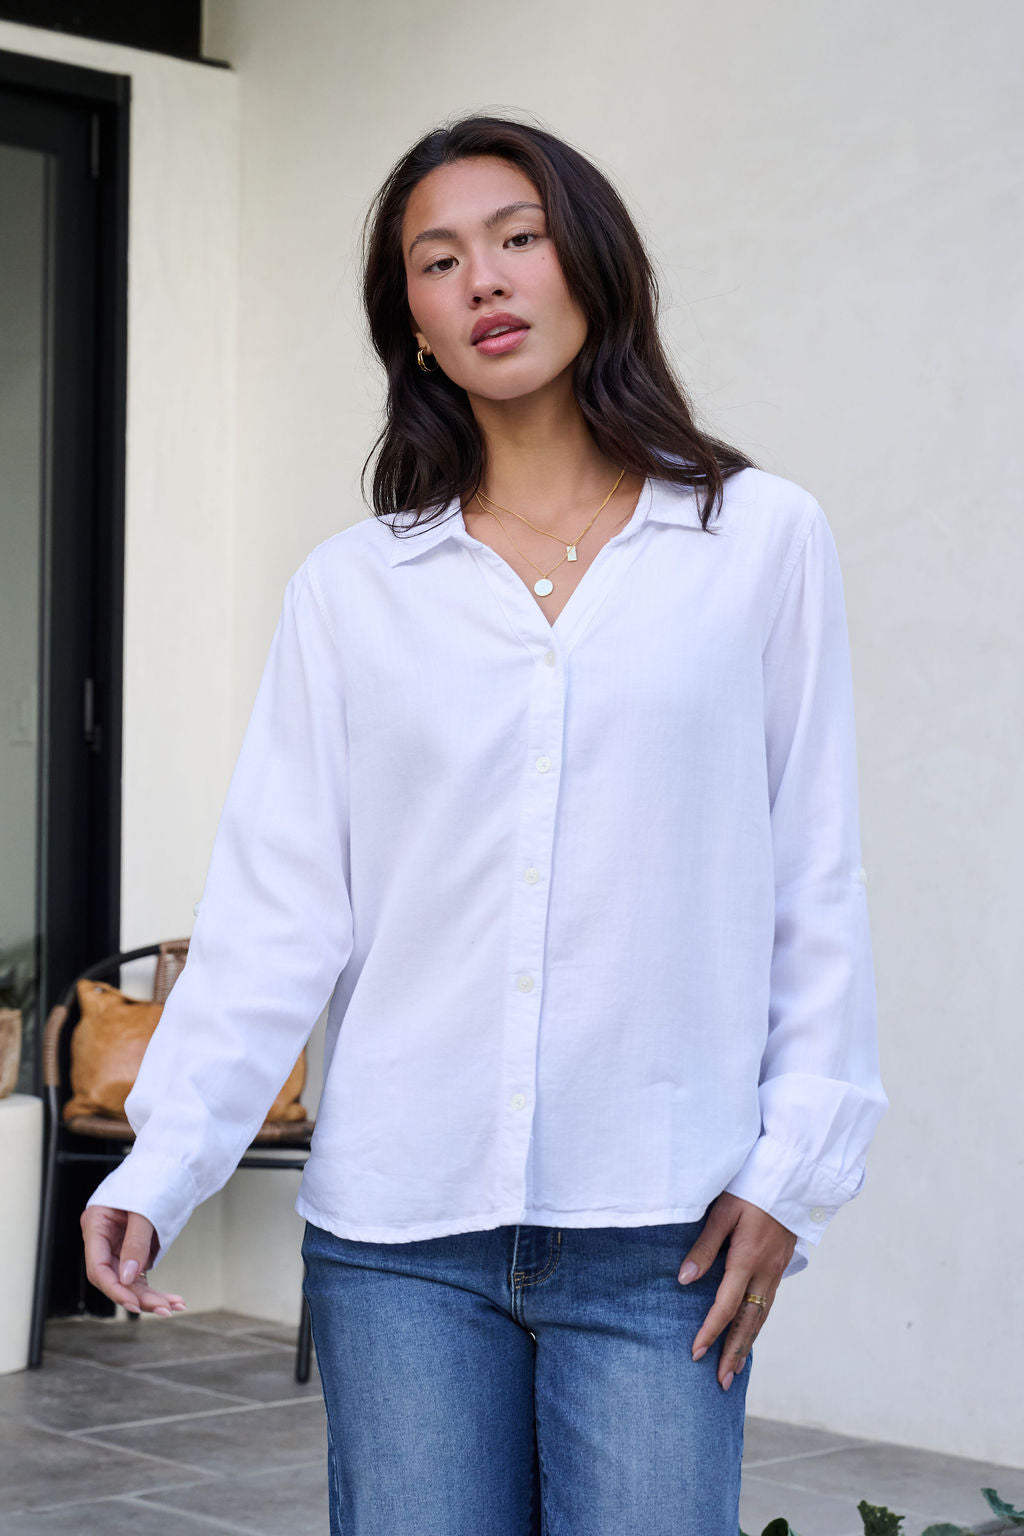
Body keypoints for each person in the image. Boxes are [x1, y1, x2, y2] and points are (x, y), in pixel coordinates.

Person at [81, 112, 887, 1536]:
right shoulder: (354, 590)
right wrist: (169, 1157)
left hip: (663, 1231)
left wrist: (796, 1171)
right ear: (415, 324)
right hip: (401, 1238)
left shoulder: (758, 539)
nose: (485, 281)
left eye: (519, 238)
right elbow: (281, 905)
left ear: (592, 265)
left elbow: (811, 873)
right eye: (439, 260)